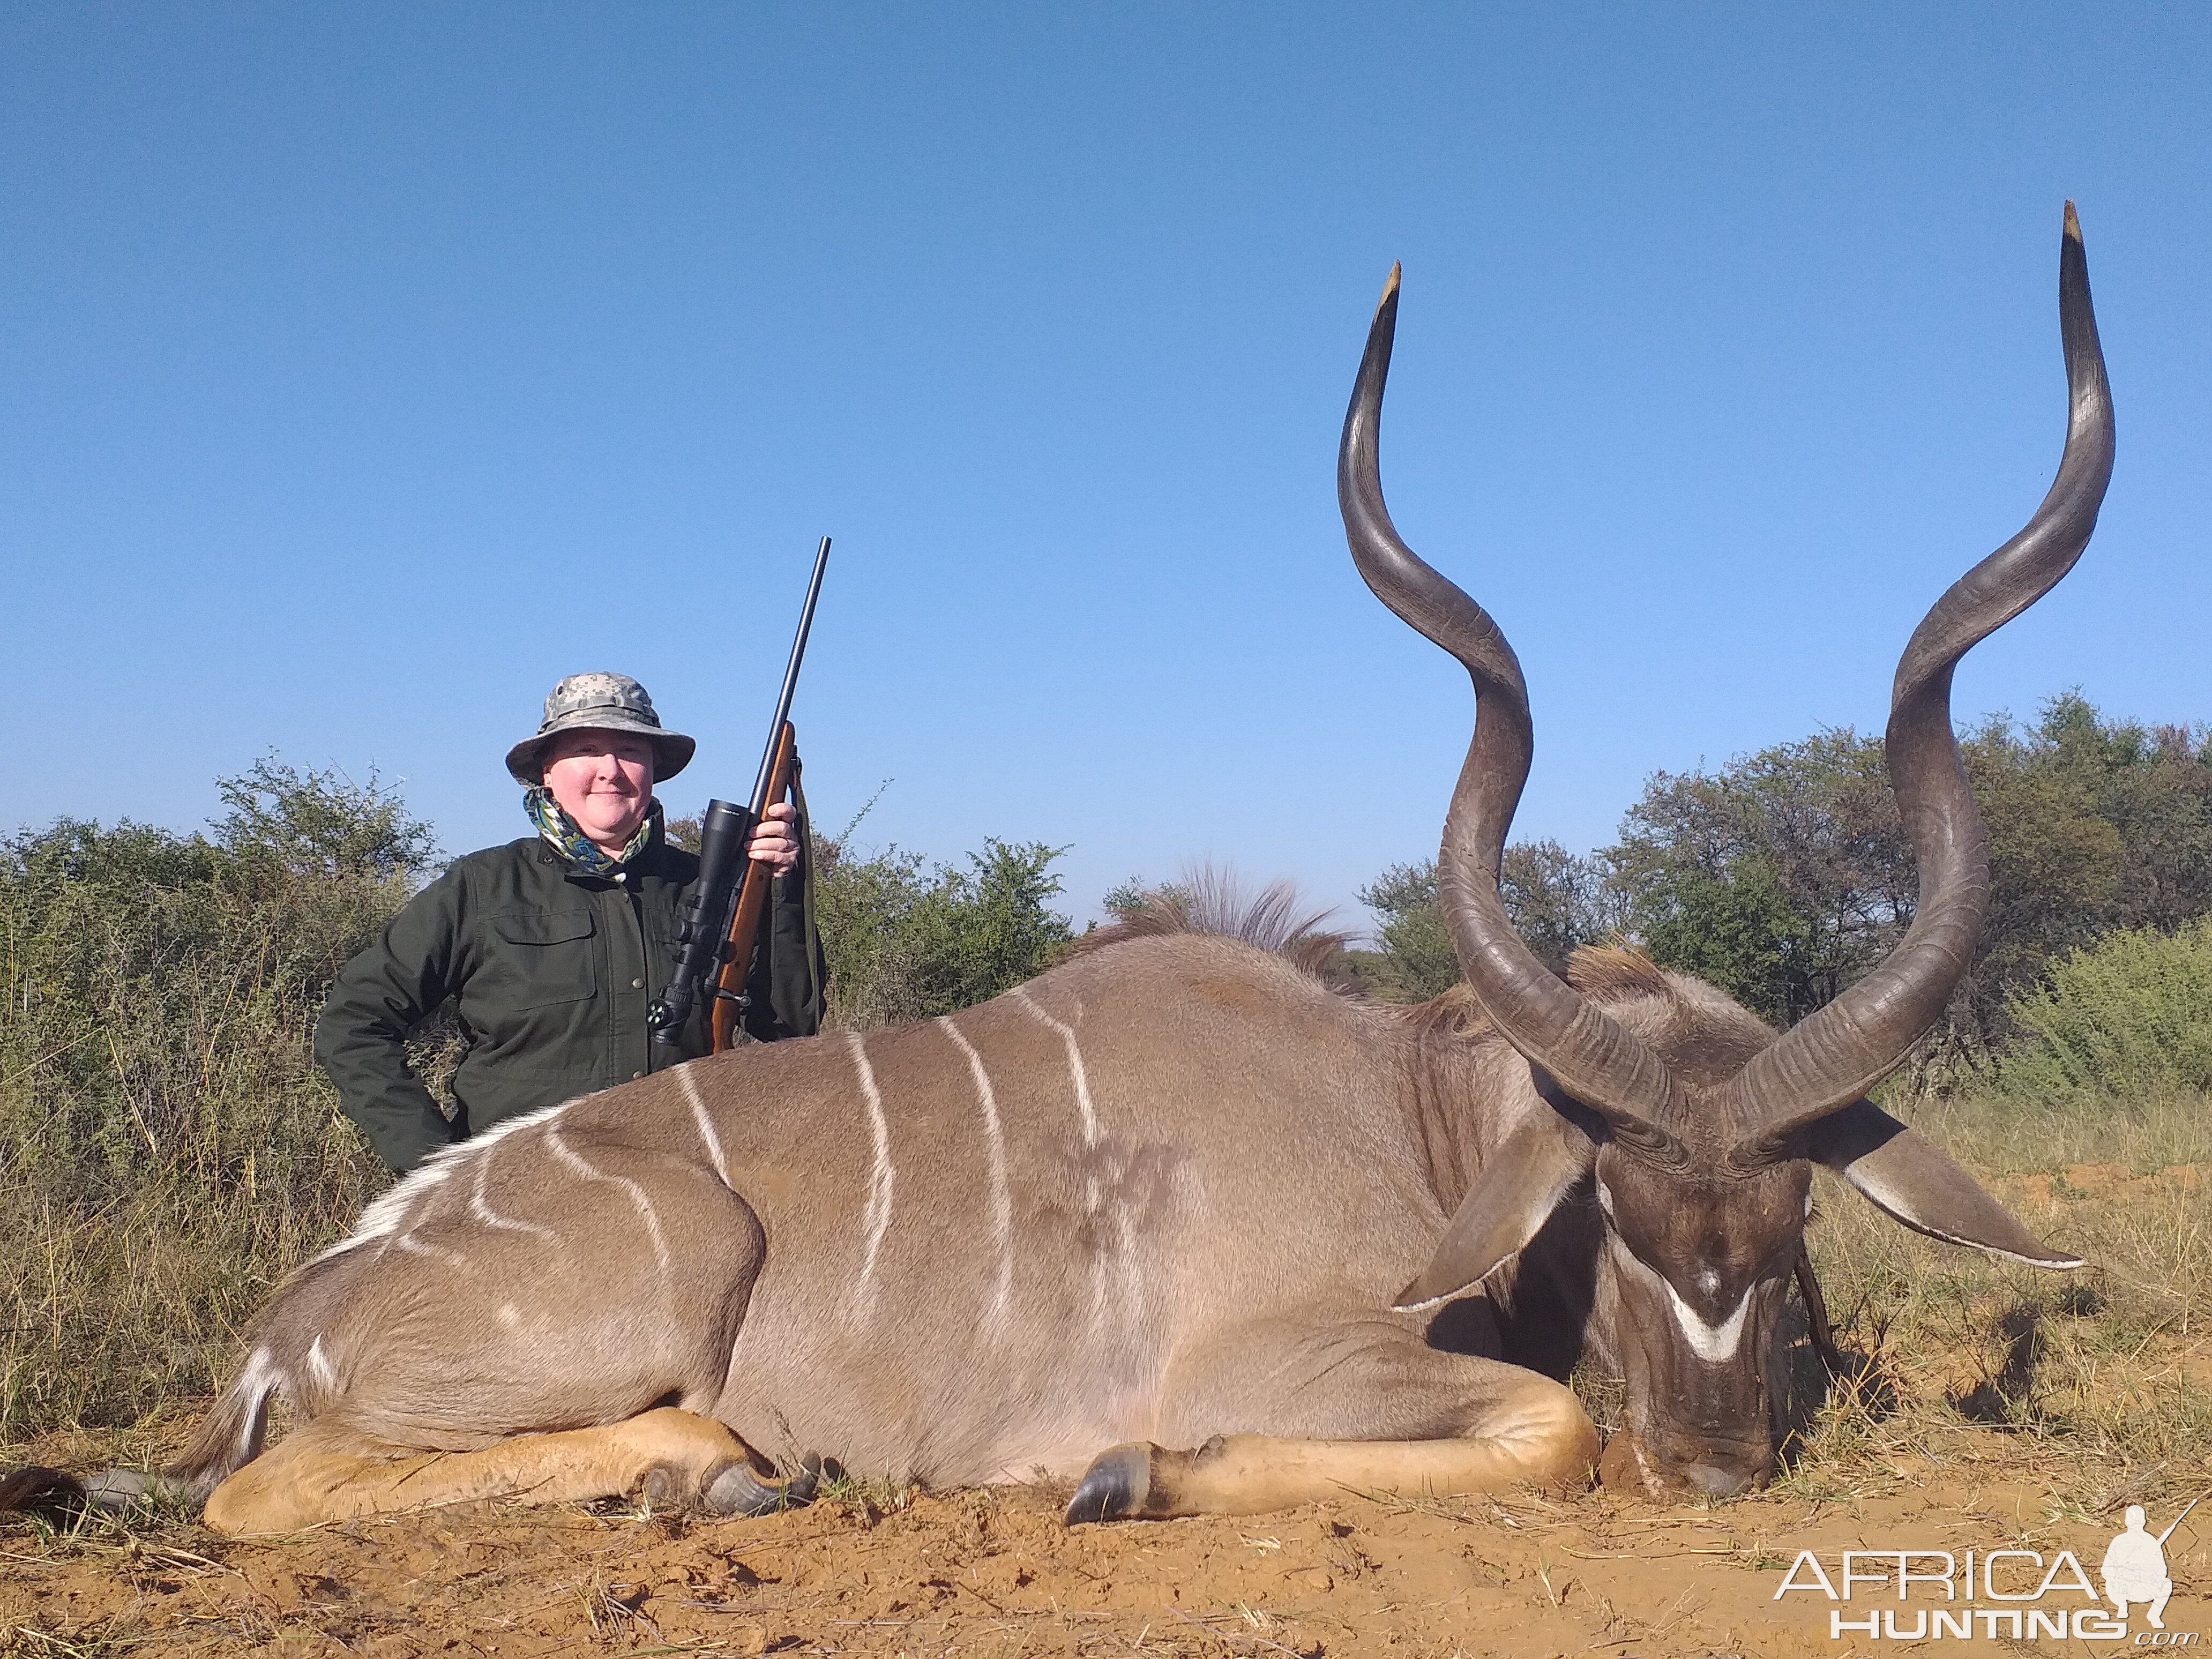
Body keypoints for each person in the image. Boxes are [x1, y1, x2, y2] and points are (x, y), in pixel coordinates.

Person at [316, 672, 825, 1176]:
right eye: (585, 750)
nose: (611, 770)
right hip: (520, 1205)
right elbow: (353, 1025)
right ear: (547, 771)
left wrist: (779, 889)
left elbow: (789, 1022)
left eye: (632, 751)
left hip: (684, 1199)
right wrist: (435, 1169)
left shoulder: (707, 886)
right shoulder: (482, 885)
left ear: (653, 770)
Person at [2101, 1505, 2174, 1629]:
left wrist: (2145, 1572)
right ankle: (2122, 1606)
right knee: (2111, 1583)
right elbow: (2106, 1570)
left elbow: (2162, 1571)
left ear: (2126, 1522)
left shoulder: (2150, 1542)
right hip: (2122, 1589)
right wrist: (2123, 1573)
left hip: (2144, 1589)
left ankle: (2154, 1615)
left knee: (2166, 1583)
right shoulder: (2120, 1541)